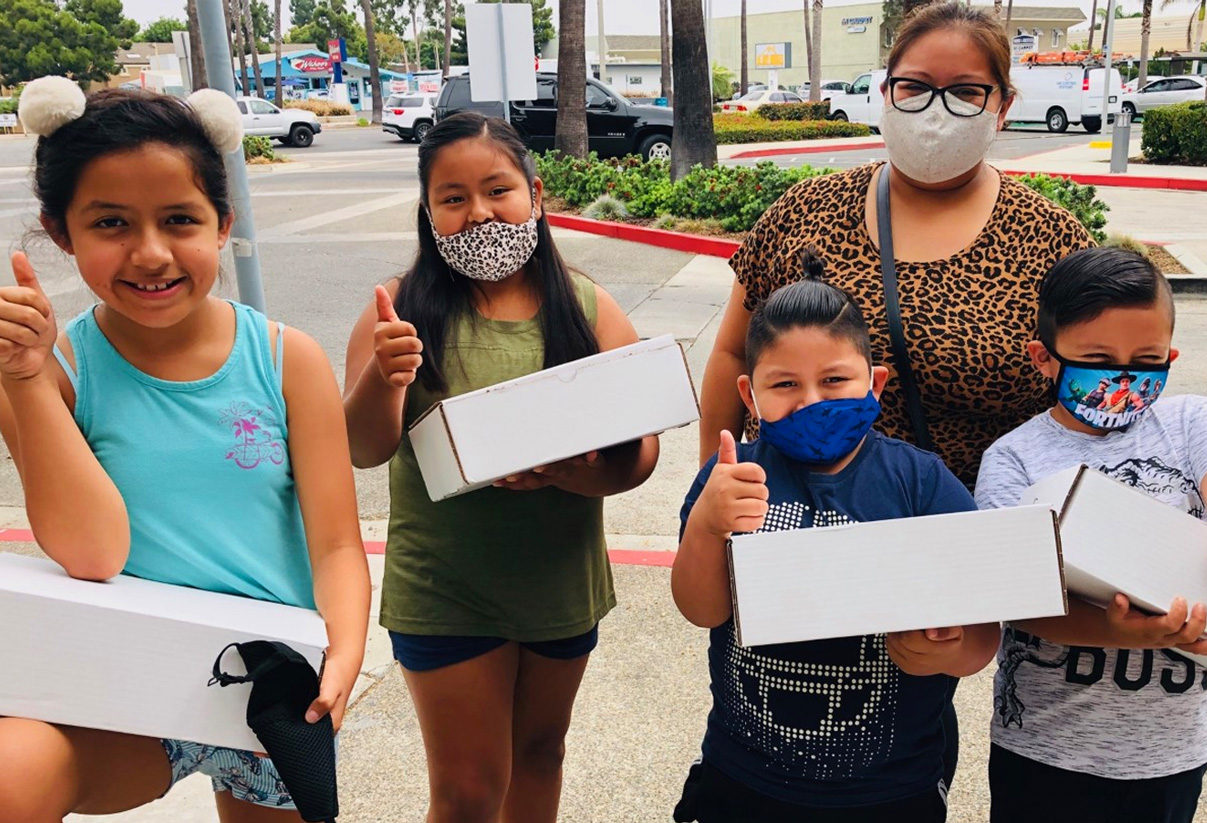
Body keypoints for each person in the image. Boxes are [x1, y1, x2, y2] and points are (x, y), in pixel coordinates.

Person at [0, 78, 370, 822]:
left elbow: (333, 541)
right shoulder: (52, 371)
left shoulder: (284, 358)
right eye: (110, 222)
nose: (150, 252)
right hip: (125, 681)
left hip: (269, 685)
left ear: (223, 223)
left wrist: (346, 649)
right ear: (60, 230)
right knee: (15, 771)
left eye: (180, 219)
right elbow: (92, 550)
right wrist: (29, 382)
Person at [341, 112, 660, 823]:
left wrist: (572, 473)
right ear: (427, 213)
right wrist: (383, 378)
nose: (478, 212)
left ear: (536, 193)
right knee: (467, 790)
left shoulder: (586, 306)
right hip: (446, 586)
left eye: (496, 189)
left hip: (558, 581)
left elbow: (639, 455)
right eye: (451, 198)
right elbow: (363, 449)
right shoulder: (399, 310)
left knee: (542, 754)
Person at [699, 2, 1095, 488]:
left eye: (967, 92)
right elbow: (732, 355)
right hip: (794, 520)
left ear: (1003, 107)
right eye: (915, 86)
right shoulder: (805, 210)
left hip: (971, 531)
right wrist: (712, 488)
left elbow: (1094, 392)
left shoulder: (1052, 239)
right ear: (886, 93)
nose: (936, 109)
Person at [671, 251, 1000, 823]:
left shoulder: (921, 483)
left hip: (890, 788)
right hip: (742, 774)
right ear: (750, 396)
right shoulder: (730, 480)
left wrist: (945, 651)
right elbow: (701, 610)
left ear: (874, 384)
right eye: (785, 384)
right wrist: (706, 523)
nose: (812, 402)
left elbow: (981, 631)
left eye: (834, 381)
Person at [976, 247, 1207, 823]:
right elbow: (1015, 602)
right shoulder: (1013, 460)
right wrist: (1118, 631)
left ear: (1171, 355)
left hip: (1172, 749)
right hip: (1048, 745)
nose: (1124, 376)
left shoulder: (1190, 424)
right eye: (1099, 358)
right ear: (1044, 358)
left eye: (1147, 358)